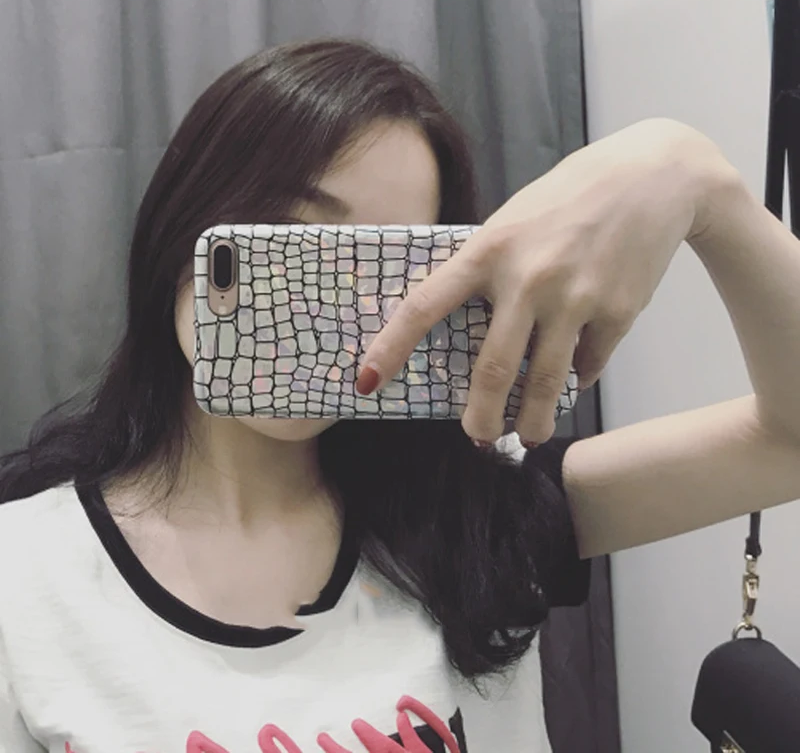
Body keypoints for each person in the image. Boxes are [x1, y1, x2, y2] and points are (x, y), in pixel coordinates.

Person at [0, 39, 798, 753]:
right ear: (189, 230)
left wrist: (699, 179)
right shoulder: (24, 575)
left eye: (390, 268)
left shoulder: (483, 514)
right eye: (293, 236)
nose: (338, 305)